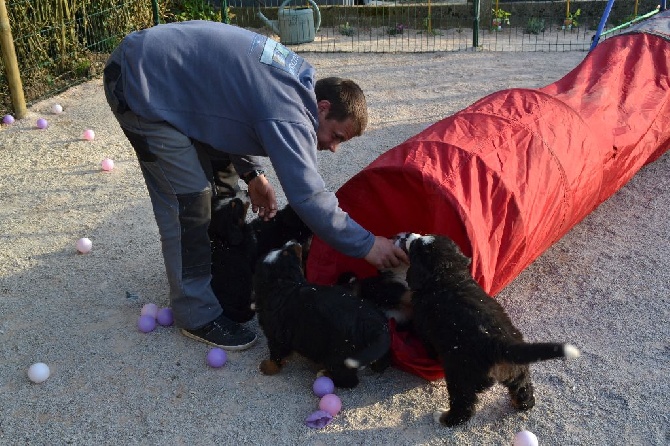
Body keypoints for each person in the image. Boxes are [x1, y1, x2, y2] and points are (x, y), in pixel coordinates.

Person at [103, 20, 408, 351]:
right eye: (335, 136)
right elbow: (308, 196)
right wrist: (367, 245)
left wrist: (252, 173)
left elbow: (231, 106)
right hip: (138, 83)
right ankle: (196, 313)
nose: (333, 147)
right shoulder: (292, 115)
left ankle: (212, 279)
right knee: (189, 202)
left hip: (161, 72)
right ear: (323, 108)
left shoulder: (297, 81)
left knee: (221, 183)